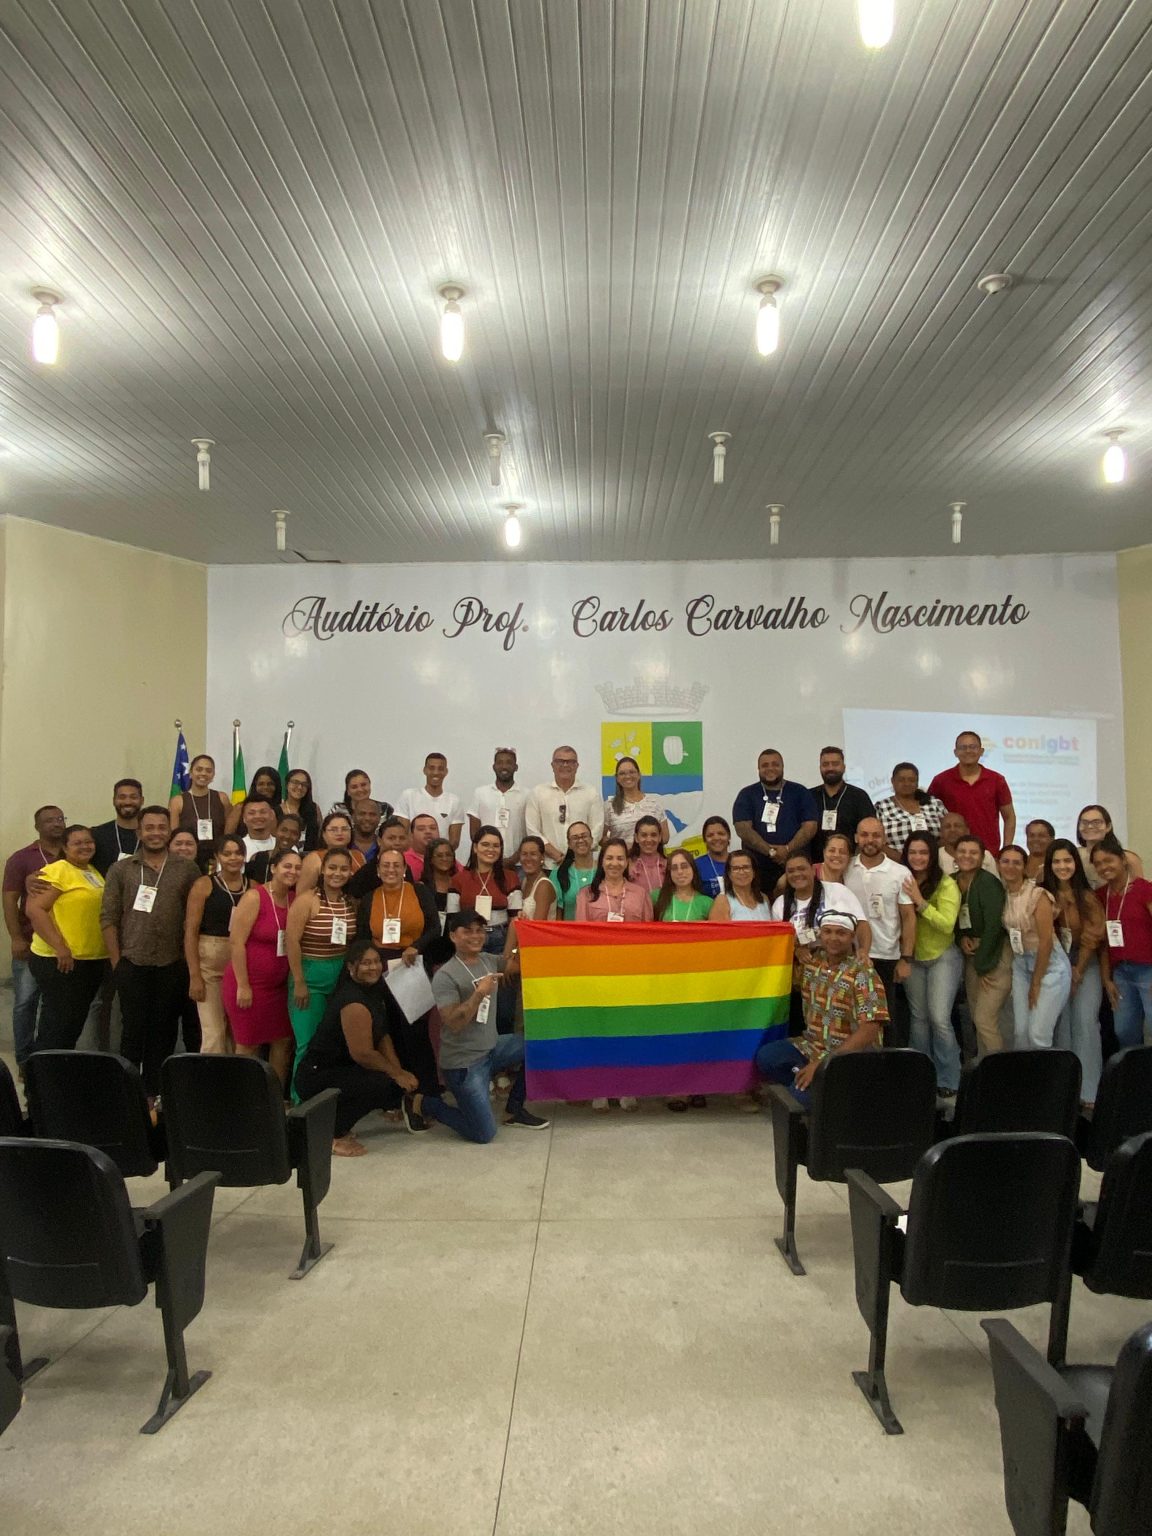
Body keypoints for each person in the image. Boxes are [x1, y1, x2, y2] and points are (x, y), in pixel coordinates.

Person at [409, 911, 550, 1141]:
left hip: (492, 1048)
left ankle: (514, 1109)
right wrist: (479, 994)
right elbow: (454, 1023)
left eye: (479, 931)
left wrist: (523, 932)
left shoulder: (487, 960)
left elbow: (520, 965)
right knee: (483, 1133)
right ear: (453, 936)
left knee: (540, 1045)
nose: (475, 936)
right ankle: (426, 1103)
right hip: (464, 1064)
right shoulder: (445, 975)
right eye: (468, 931)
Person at [100, 805, 200, 1096]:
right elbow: (108, 918)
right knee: (132, 1031)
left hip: (172, 963)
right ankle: (129, 1095)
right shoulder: (121, 869)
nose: (156, 833)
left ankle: (156, 1094)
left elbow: (194, 917)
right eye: (150, 828)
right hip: (132, 962)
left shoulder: (187, 869)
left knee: (164, 1031)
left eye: (161, 827)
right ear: (139, 832)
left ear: (169, 831)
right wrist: (117, 963)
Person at [295, 942, 418, 1156]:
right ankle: (331, 1134)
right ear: (351, 967)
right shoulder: (352, 1001)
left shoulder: (374, 991)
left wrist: (400, 1073)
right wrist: (395, 1074)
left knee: (393, 1082)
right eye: (366, 963)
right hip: (316, 1076)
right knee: (381, 1083)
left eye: (377, 962)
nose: (374, 967)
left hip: (343, 1070)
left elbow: (383, 1036)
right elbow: (362, 1054)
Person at [753, 911, 887, 1106]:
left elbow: (870, 1029)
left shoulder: (863, 973)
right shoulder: (813, 963)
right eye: (828, 932)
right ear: (820, 935)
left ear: (852, 937)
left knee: (797, 1098)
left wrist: (823, 1064)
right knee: (767, 1057)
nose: (833, 938)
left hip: (850, 1056)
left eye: (841, 933)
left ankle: (830, 1091)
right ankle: (818, 1085)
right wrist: (797, 949)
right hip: (813, 1047)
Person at [349, 847, 441, 1095]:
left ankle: (427, 1090)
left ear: (404, 869)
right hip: (379, 968)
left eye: (396, 865)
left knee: (415, 1030)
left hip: (411, 963)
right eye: (386, 865)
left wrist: (416, 947)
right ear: (378, 870)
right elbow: (363, 937)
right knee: (388, 1031)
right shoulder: (370, 898)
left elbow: (435, 928)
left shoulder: (419, 892)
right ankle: (398, 1089)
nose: (391, 869)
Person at [221, 846, 301, 1089]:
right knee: (247, 1045)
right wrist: (243, 985)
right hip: (249, 984)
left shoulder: (294, 899)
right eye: (287, 866)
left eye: (298, 868)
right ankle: (243, 1098)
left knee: (283, 1041)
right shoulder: (254, 897)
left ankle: (273, 1097)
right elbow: (236, 942)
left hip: (278, 988)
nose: (293, 871)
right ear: (273, 868)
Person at [24, 825, 109, 1050]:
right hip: (60, 960)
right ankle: (42, 1071)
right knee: (57, 1025)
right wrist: (60, 947)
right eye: (77, 843)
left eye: (88, 842)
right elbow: (34, 910)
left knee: (71, 1025)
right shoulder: (57, 871)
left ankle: (61, 1068)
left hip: (88, 961)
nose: (85, 846)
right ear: (65, 847)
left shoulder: (92, 871)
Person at [1043, 839, 1108, 1107]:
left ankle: (1090, 1092)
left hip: (1085, 961)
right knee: (1062, 1025)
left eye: (1067, 861)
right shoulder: (1043, 895)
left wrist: (1078, 970)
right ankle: (1065, 1091)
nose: (1062, 866)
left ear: (1076, 864)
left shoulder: (1087, 896)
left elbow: (1094, 936)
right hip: (1055, 962)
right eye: (1056, 861)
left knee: (1085, 1022)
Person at [286, 847, 357, 1092]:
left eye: (344, 869)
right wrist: (299, 981)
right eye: (332, 868)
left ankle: (324, 1098)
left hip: (339, 977)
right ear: (323, 870)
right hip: (310, 976)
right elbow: (291, 941)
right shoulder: (306, 900)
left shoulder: (350, 903)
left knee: (333, 1044)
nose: (338, 873)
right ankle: (300, 1099)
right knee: (307, 1043)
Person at [3, 805, 67, 1070]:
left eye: (60, 818)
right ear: (37, 826)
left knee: (56, 1006)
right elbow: (9, 901)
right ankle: (24, 1061)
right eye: (49, 820)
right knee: (25, 1003)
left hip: (67, 946)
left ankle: (48, 1059)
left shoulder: (73, 854)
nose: (56, 823)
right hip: (31, 942)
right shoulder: (22, 858)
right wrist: (16, 938)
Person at [843, 818, 915, 1047]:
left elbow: (909, 917)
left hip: (886, 956)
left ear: (884, 839)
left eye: (876, 835)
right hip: (849, 956)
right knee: (850, 1019)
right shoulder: (845, 868)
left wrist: (906, 958)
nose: (870, 840)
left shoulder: (900, 872)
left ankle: (887, 1066)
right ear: (856, 838)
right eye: (864, 834)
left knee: (885, 1020)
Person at [901, 832, 963, 1096]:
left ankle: (949, 1079)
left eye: (923, 852)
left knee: (939, 1019)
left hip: (943, 956)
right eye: (913, 852)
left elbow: (947, 924)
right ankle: (920, 1077)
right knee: (919, 1019)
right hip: (912, 957)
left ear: (932, 855)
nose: (918, 857)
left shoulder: (946, 884)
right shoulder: (901, 878)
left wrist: (920, 901)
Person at [999, 843, 1071, 1051]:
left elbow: (1046, 941)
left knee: (1038, 1034)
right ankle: (1026, 1073)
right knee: (1020, 1033)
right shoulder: (1003, 894)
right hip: (1021, 964)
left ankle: (1046, 1073)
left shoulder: (1037, 895)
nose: (1010, 867)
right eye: (1005, 861)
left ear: (1024, 867)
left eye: (1016, 863)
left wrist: (1036, 983)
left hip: (1049, 966)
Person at [184, 834, 249, 1055]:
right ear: (217, 856)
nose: (233, 858)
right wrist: (194, 975)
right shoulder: (204, 885)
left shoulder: (253, 887)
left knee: (237, 1032)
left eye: (238, 853)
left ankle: (233, 1076)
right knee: (214, 1032)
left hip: (240, 964)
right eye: (227, 853)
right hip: (209, 966)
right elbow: (191, 931)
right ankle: (209, 1076)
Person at [952, 835, 1011, 1059]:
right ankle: (983, 1069)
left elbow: (994, 926)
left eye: (973, 852)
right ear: (955, 855)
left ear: (982, 856)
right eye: (962, 851)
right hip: (972, 955)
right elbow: (953, 920)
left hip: (993, 956)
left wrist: (984, 966)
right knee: (977, 1018)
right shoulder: (950, 881)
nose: (967, 856)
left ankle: (998, 1069)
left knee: (985, 1020)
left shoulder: (988, 883)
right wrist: (961, 939)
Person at [1091, 834, 1152, 1048]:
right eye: (1098, 863)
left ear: (1122, 860)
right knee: (1124, 1030)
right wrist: (1106, 979)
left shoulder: (1145, 889)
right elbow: (1103, 944)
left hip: (1148, 969)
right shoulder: (1099, 896)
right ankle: (1135, 1070)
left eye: (1108, 860)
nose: (1104, 867)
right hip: (1120, 974)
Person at [731, 749, 817, 893]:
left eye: (775, 764)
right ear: (758, 769)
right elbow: (743, 829)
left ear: (783, 766)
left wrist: (787, 850)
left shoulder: (800, 792)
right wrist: (770, 851)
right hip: (756, 870)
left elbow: (810, 827)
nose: (770, 768)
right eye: (765, 765)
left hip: (795, 868)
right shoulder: (746, 794)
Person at [928, 731, 1015, 856]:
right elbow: (929, 815)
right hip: (951, 853)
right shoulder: (941, 780)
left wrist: (1006, 850)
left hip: (988, 852)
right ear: (955, 752)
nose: (968, 751)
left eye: (973, 747)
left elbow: (1009, 816)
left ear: (981, 751)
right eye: (963, 747)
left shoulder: (996, 780)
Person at [771, 850, 867, 954]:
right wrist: (796, 950)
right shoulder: (780, 904)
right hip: (798, 961)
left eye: (802, 869)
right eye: (791, 871)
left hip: (838, 960)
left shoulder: (838, 891)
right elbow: (779, 942)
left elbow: (861, 923)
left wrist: (863, 951)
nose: (797, 874)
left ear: (813, 870)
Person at [526, 746, 604, 867]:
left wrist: (575, 856)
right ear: (552, 765)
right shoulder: (538, 793)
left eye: (570, 761)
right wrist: (557, 855)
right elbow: (532, 831)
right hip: (548, 865)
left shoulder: (591, 793)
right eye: (560, 761)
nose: (565, 765)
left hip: (582, 866)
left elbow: (597, 830)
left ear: (577, 766)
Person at [454, 826, 521, 959]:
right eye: (485, 844)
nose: (491, 849)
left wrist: (508, 952)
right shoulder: (458, 879)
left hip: (500, 938)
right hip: (469, 938)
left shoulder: (510, 877)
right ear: (475, 847)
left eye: (496, 846)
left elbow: (515, 919)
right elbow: (453, 920)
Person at [808, 747, 876, 862]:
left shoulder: (859, 796)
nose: (830, 768)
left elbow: (868, 832)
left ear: (844, 767)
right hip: (815, 865)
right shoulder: (809, 796)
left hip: (851, 864)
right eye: (825, 764)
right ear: (820, 768)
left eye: (835, 764)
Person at [170, 754, 231, 866]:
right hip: (187, 859)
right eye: (199, 769)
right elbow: (174, 836)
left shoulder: (222, 798)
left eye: (208, 770)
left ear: (213, 775)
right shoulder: (178, 801)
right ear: (191, 773)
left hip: (218, 859)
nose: (203, 773)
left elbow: (229, 831)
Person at [874, 763, 947, 856]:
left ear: (917, 782)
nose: (906, 784)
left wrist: (931, 855)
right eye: (901, 780)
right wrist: (902, 860)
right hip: (895, 862)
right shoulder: (881, 807)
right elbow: (876, 840)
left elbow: (948, 834)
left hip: (935, 860)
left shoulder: (934, 803)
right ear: (892, 781)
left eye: (911, 780)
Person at [468, 749, 527, 862]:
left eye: (509, 762)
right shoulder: (480, 793)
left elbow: (530, 831)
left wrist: (514, 859)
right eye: (500, 762)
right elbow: (474, 832)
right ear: (494, 767)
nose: (504, 766)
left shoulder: (526, 795)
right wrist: (486, 854)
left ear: (516, 767)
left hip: (518, 863)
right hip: (486, 861)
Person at [577, 838, 654, 924]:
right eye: (609, 858)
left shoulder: (641, 894)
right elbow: (581, 929)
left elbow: (648, 929)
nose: (614, 863)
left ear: (626, 862)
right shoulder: (586, 894)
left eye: (620, 859)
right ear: (601, 862)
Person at [396, 752, 464, 850]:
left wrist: (437, 854)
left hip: (440, 856)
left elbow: (454, 841)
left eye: (440, 769)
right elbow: (403, 833)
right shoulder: (408, 795)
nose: (436, 772)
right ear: (425, 770)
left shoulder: (454, 801)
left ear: (446, 772)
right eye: (432, 768)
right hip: (412, 855)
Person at [602, 757, 670, 845]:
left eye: (632, 772)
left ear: (639, 775)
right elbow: (601, 837)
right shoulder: (609, 806)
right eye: (622, 773)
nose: (627, 776)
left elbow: (665, 837)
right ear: (617, 778)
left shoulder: (654, 804)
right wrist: (619, 847)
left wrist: (645, 846)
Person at [1077, 805, 1144, 887]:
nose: (1090, 826)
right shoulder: (1075, 856)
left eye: (1096, 822)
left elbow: (1142, 889)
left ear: (1108, 827)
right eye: (1085, 823)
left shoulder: (1128, 858)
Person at [297, 810, 362, 895]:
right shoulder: (314, 858)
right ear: (324, 834)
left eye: (344, 829)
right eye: (333, 830)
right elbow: (301, 893)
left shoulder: (358, 855)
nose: (339, 833)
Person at [90, 779, 143, 874]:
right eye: (122, 797)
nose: (127, 802)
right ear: (114, 801)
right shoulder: (96, 834)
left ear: (142, 800)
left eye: (133, 797)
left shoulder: (151, 836)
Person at [709, 849, 774, 922]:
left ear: (754, 872)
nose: (741, 872)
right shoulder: (722, 901)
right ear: (729, 874)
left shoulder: (764, 898)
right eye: (736, 868)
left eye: (746, 867)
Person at [549, 822, 597, 919]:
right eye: (575, 838)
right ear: (569, 844)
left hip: (599, 928)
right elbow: (557, 914)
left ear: (592, 840)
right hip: (569, 928)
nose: (580, 840)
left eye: (584, 836)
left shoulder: (604, 871)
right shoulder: (559, 873)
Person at [654, 849, 715, 923]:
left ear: (693, 869)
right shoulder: (656, 896)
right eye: (674, 868)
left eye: (684, 866)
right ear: (669, 873)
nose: (680, 872)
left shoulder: (707, 903)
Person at [937, 811, 1000, 877]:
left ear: (967, 830)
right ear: (940, 832)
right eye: (947, 827)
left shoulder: (985, 855)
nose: (952, 830)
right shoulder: (935, 857)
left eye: (957, 826)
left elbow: (994, 881)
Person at [224, 766, 283, 835]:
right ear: (255, 786)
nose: (265, 787)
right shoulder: (240, 807)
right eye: (261, 784)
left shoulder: (281, 809)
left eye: (270, 784)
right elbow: (228, 835)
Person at [246, 813, 304, 883]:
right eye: (284, 830)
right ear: (275, 830)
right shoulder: (258, 858)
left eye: (294, 833)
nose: (287, 836)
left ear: (299, 837)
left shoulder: (301, 864)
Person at [515, 836, 555, 921]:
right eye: (524, 854)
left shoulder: (544, 886)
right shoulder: (524, 881)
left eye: (533, 854)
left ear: (542, 857)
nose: (528, 858)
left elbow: (538, 925)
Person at [282, 768, 322, 851]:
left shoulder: (314, 808)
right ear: (287, 784)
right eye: (295, 782)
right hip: (284, 856)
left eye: (304, 784)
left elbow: (321, 835)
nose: (300, 787)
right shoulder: (276, 810)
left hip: (311, 855)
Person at [628, 815, 667, 898]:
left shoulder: (669, 865)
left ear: (660, 837)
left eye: (653, 835)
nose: (649, 840)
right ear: (636, 838)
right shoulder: (628, 867)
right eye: (644, 835)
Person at [695, 816, 731, 897]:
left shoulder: (739, 861)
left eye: (721, 834)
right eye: (710, 835)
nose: (716, 838)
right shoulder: (696, 865)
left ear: (729, 836)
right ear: (704, 839)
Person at [236, 796, 278, 862]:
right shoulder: (237, 847)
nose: (257, 816)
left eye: (263, 812)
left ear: (272, 815)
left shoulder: (282, 845)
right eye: (251, 813)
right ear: (244, 818)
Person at [403, 814, 439, 881]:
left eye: (433, 828)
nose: (428, 831)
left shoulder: (446, 858)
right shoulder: (403, 860)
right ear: (411, 835)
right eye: (421, 829)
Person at [349, 799, 384, 865]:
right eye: (362, 814)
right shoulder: (344, 845)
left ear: (379, 818)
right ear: (353, 817)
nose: (367, 818)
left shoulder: (384, 847)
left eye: (372, 814)